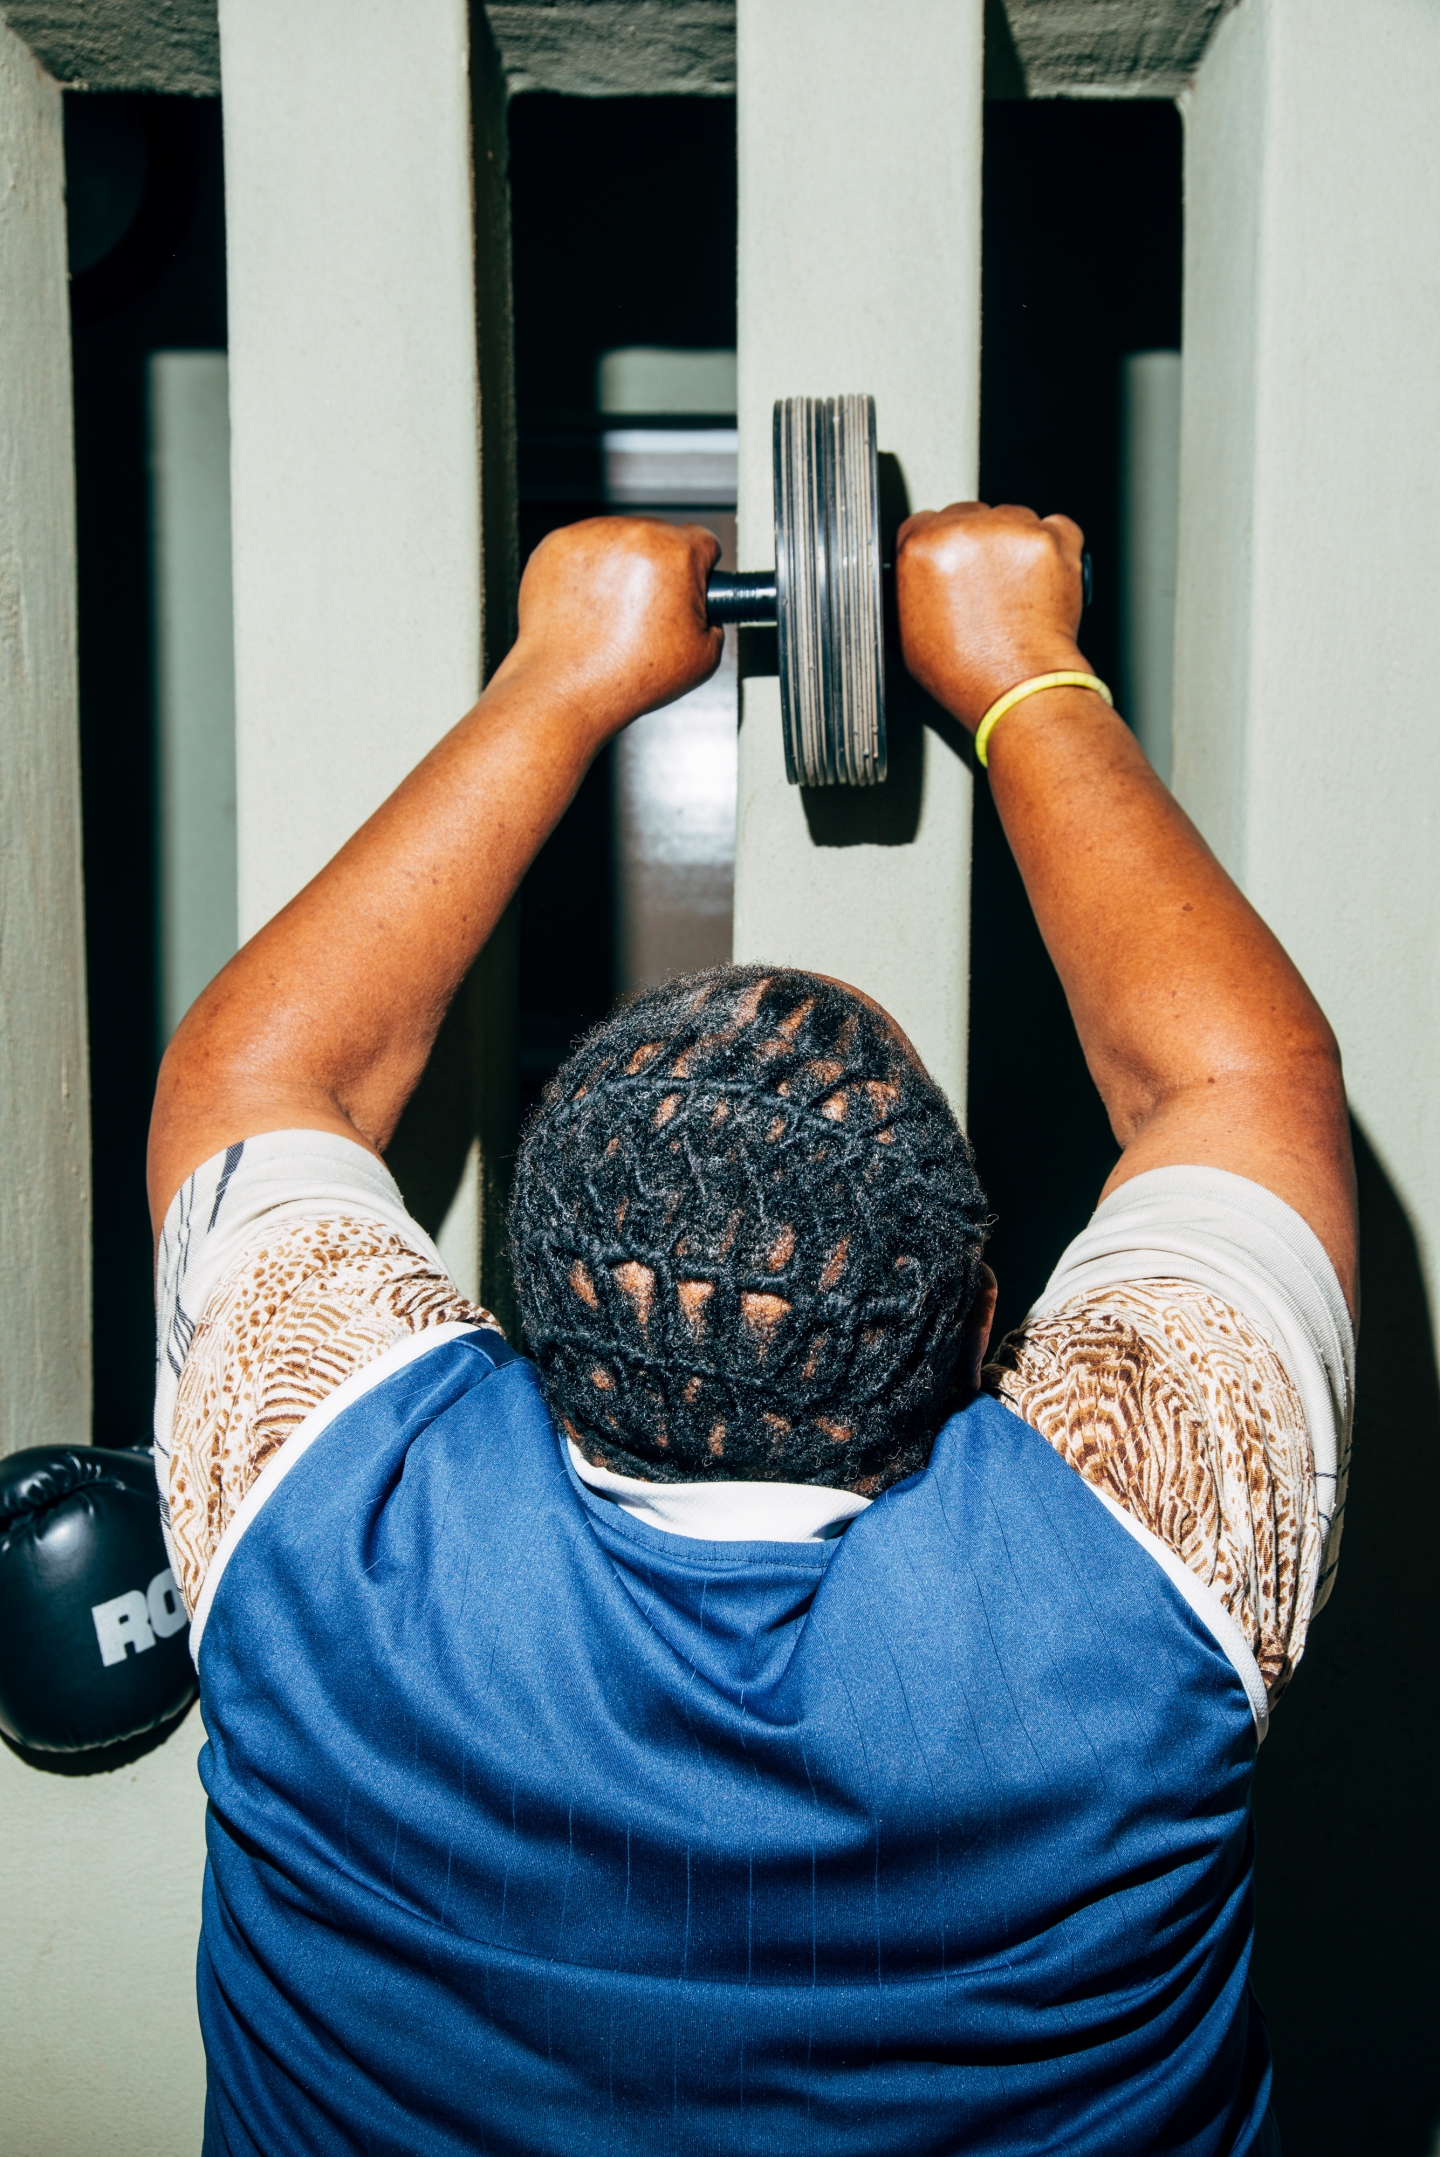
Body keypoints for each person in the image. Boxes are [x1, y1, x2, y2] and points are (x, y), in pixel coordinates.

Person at [148, 503, 1355, 2157]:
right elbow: (1232, 1079)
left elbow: (260, 1079)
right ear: (985, 1335)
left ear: (512, 1322)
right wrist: (1013, 662)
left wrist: (562, 674)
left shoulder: (312, 1510)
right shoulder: (1143, 1572)